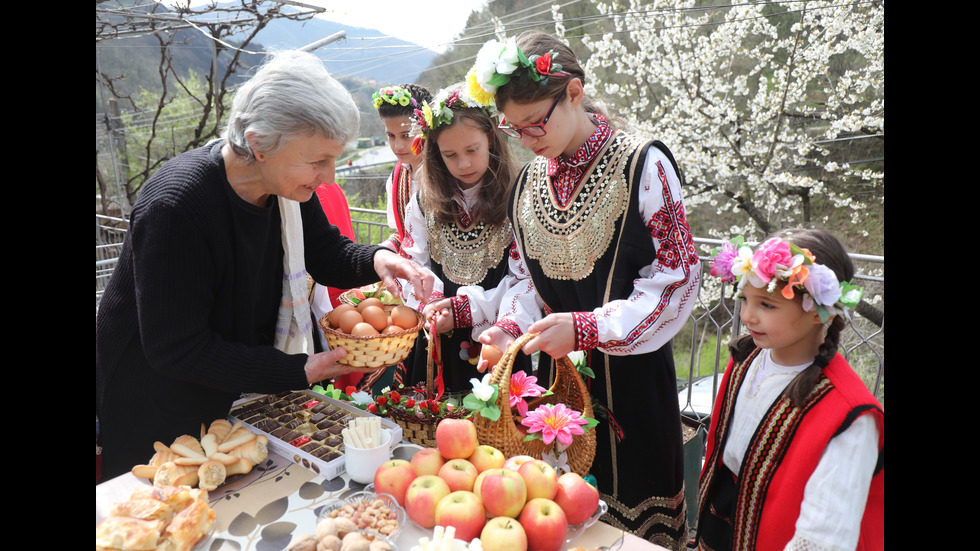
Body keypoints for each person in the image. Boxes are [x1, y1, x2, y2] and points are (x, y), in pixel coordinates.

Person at [95, 50, 434, 481]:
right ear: (258, 144)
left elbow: (326, 252)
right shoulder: (177, 207)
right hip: (159, 405)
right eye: (318, 161)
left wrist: (380, 259)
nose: (329, 177)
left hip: (230, 392)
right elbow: (176, 347)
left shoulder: (284, 190)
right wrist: (298, 370)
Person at [467, 32, 702, 548]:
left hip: (634, 386)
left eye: (536, 122)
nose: (527, 139)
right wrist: (509, 329)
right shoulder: (528, 184)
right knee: (558, 518)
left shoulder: (643, 165)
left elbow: (676, 278)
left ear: (574, 92)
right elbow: (526, 278)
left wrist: (587, 327)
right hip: (557, 391)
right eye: (514, 128)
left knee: (636, 525)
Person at [694, 229, 883, 551]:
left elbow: (826, 537)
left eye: (766, 304)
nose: (748, 316)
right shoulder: (746, 357)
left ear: (817, 310)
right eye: (744, 299)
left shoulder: (849, 416)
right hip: (723, 519)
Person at [397, 83, 540, 394]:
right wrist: (432, 303)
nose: (463, 164)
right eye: (450, 155)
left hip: (497, 345)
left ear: (491, 139)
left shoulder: (522, 199)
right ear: (435, 154)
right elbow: (412, 264)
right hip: (434, 350)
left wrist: (467, 311)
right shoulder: (423, 203)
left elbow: (529, 282)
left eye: (472, 150)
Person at [372, 84, 433, 253]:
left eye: (406, 135)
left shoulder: (447, 173)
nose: (398, 146)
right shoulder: (397, 178)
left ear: (426, 128)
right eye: (391, 136)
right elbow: (401, 234)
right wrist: (383, 250)